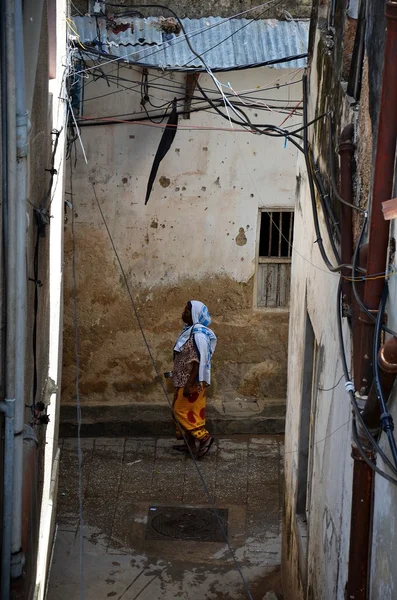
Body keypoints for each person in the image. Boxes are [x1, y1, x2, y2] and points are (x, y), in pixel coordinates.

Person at [171, 300, 217, 458]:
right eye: (184, 310)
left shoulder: (198, 335)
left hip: (191, 383)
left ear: (196, 315)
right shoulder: (189, 331)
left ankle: (204, 438)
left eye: (188, 311)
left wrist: (190, 384)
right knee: (186, 411)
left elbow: (199, 362)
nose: (184, 313)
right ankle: (189, 444)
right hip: (183, 381)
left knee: (179, 411)